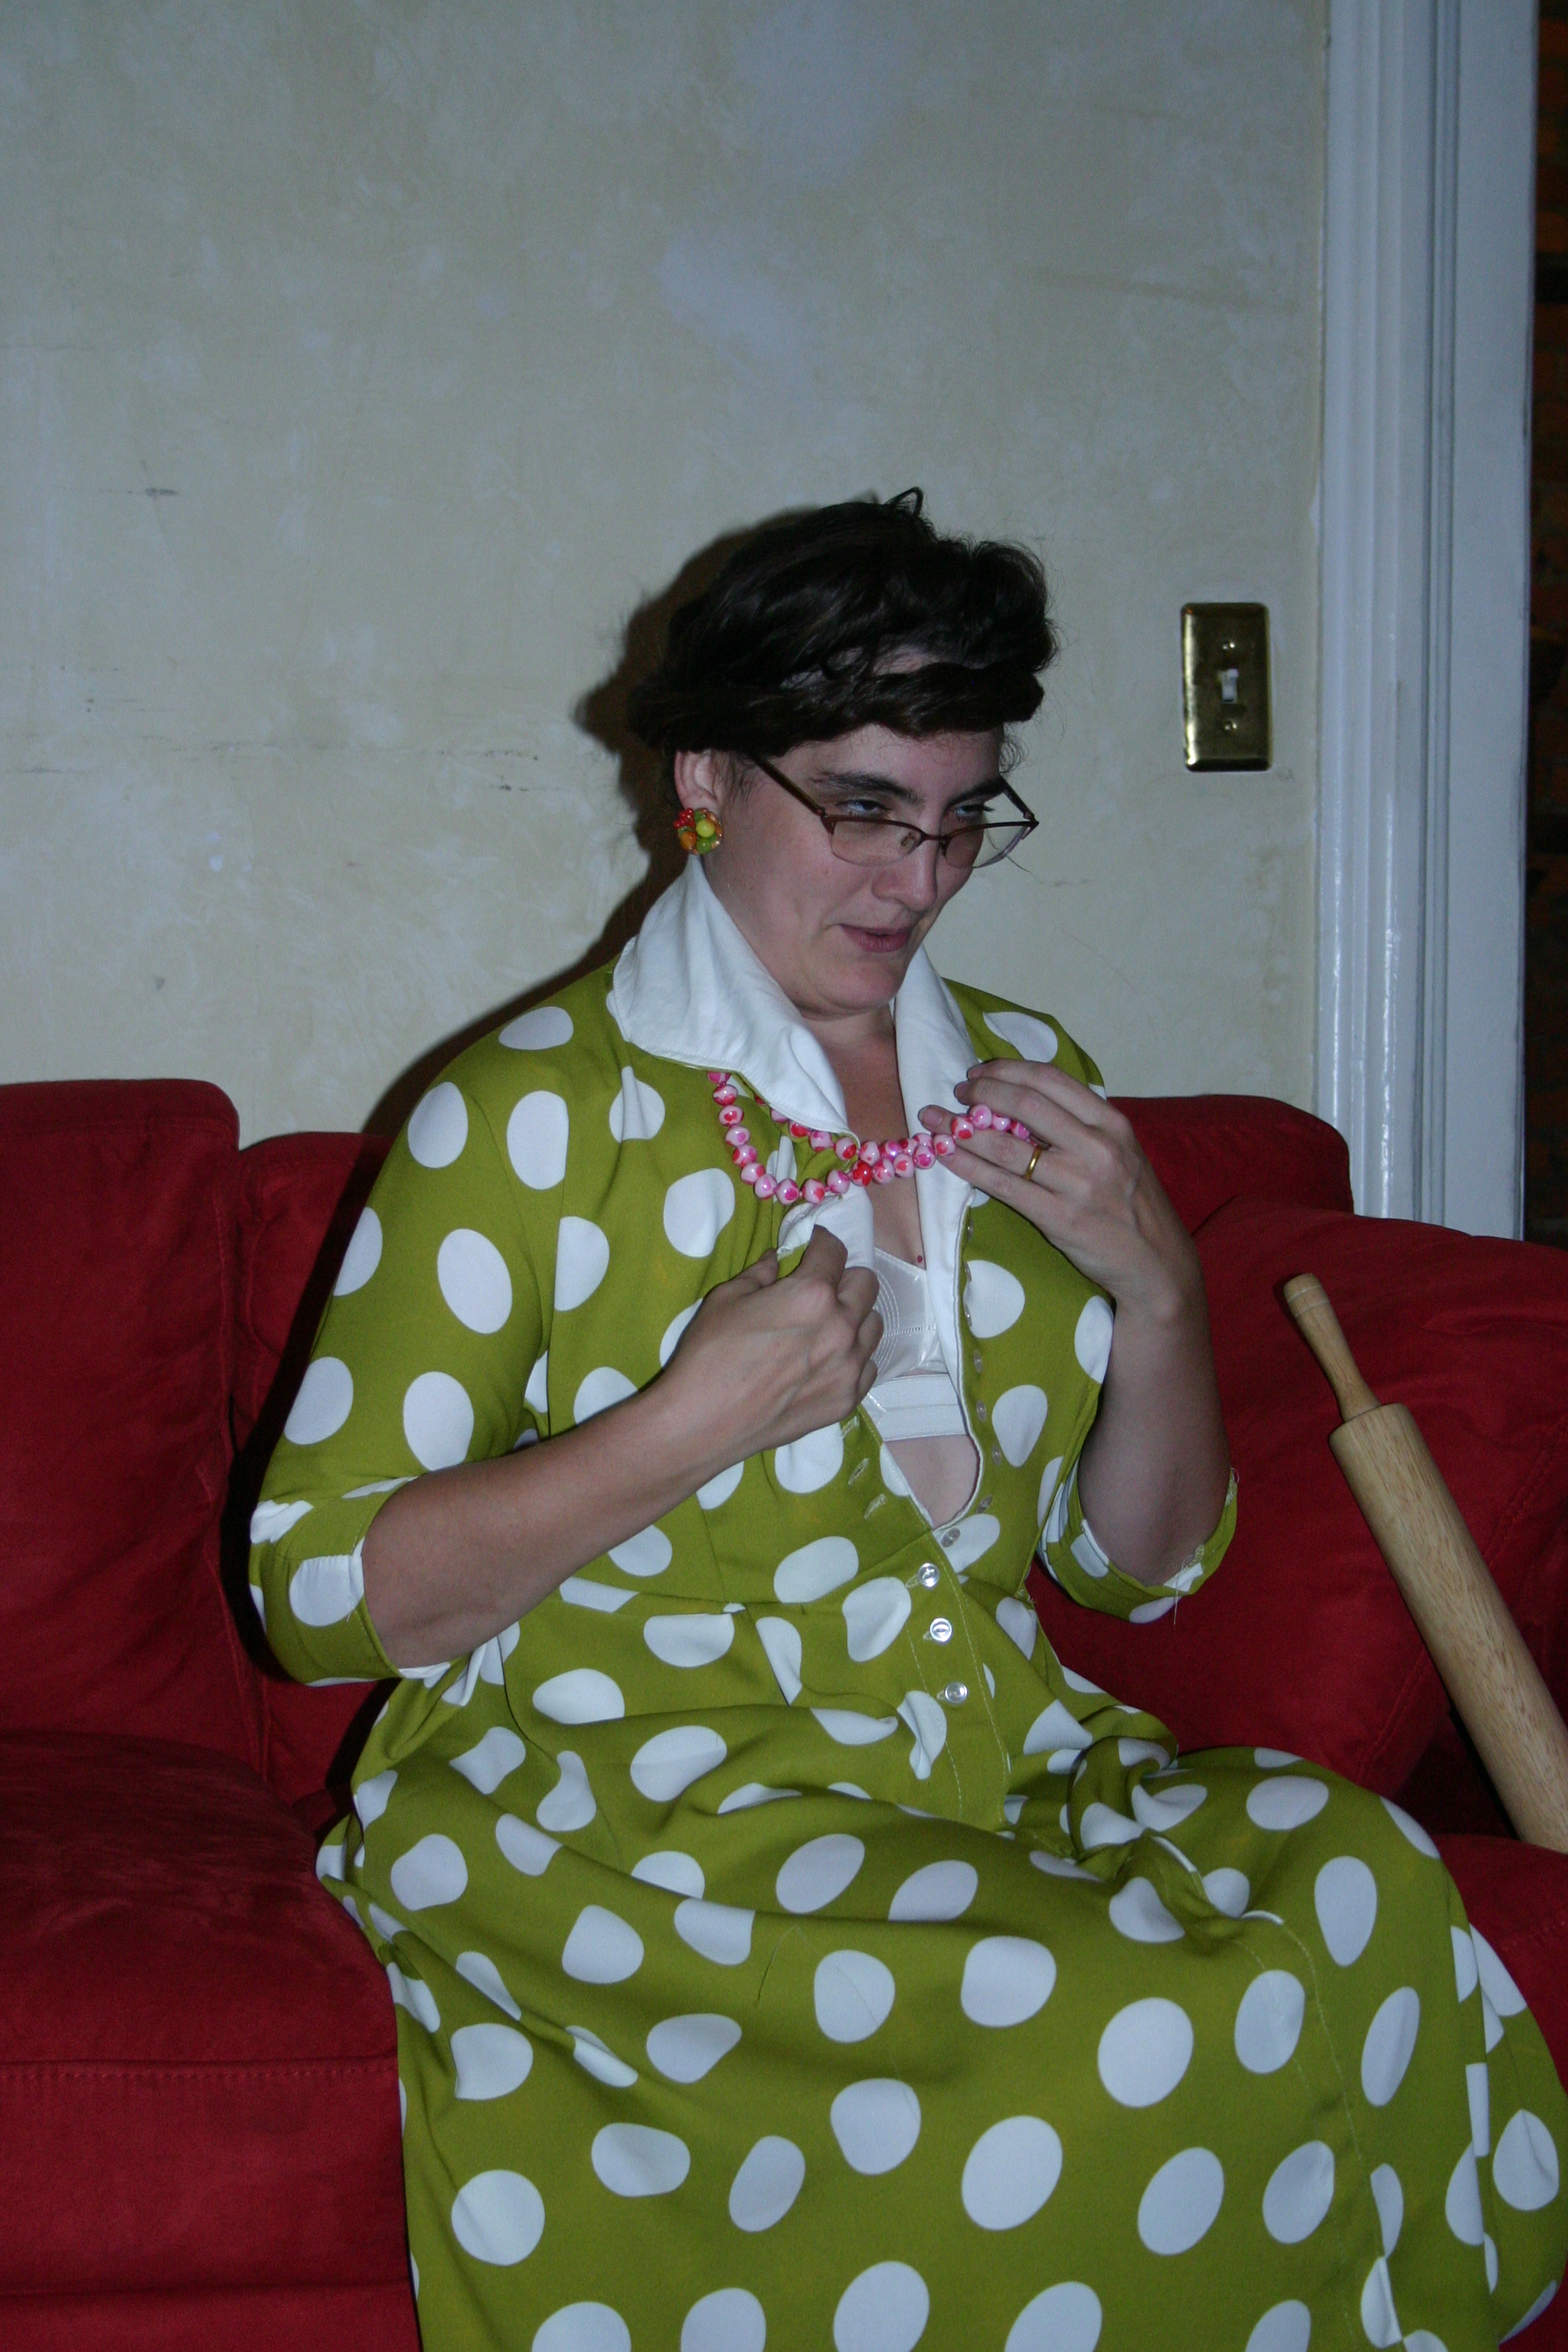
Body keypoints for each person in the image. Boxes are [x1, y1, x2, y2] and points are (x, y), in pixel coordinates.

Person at [253, 492, 1566, 2352]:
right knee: (1127, 2017)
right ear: (705, 778)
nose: (915, 876)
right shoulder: (530, 1118)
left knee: (1355, 1868)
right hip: (630, 1797)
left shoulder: (1025, 1092)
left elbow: (1139, 1569)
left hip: (981, 1758)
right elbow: (316, 1591)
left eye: (961, 818)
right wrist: (680, 1428)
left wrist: (1158, 1295)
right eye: (862, 808)